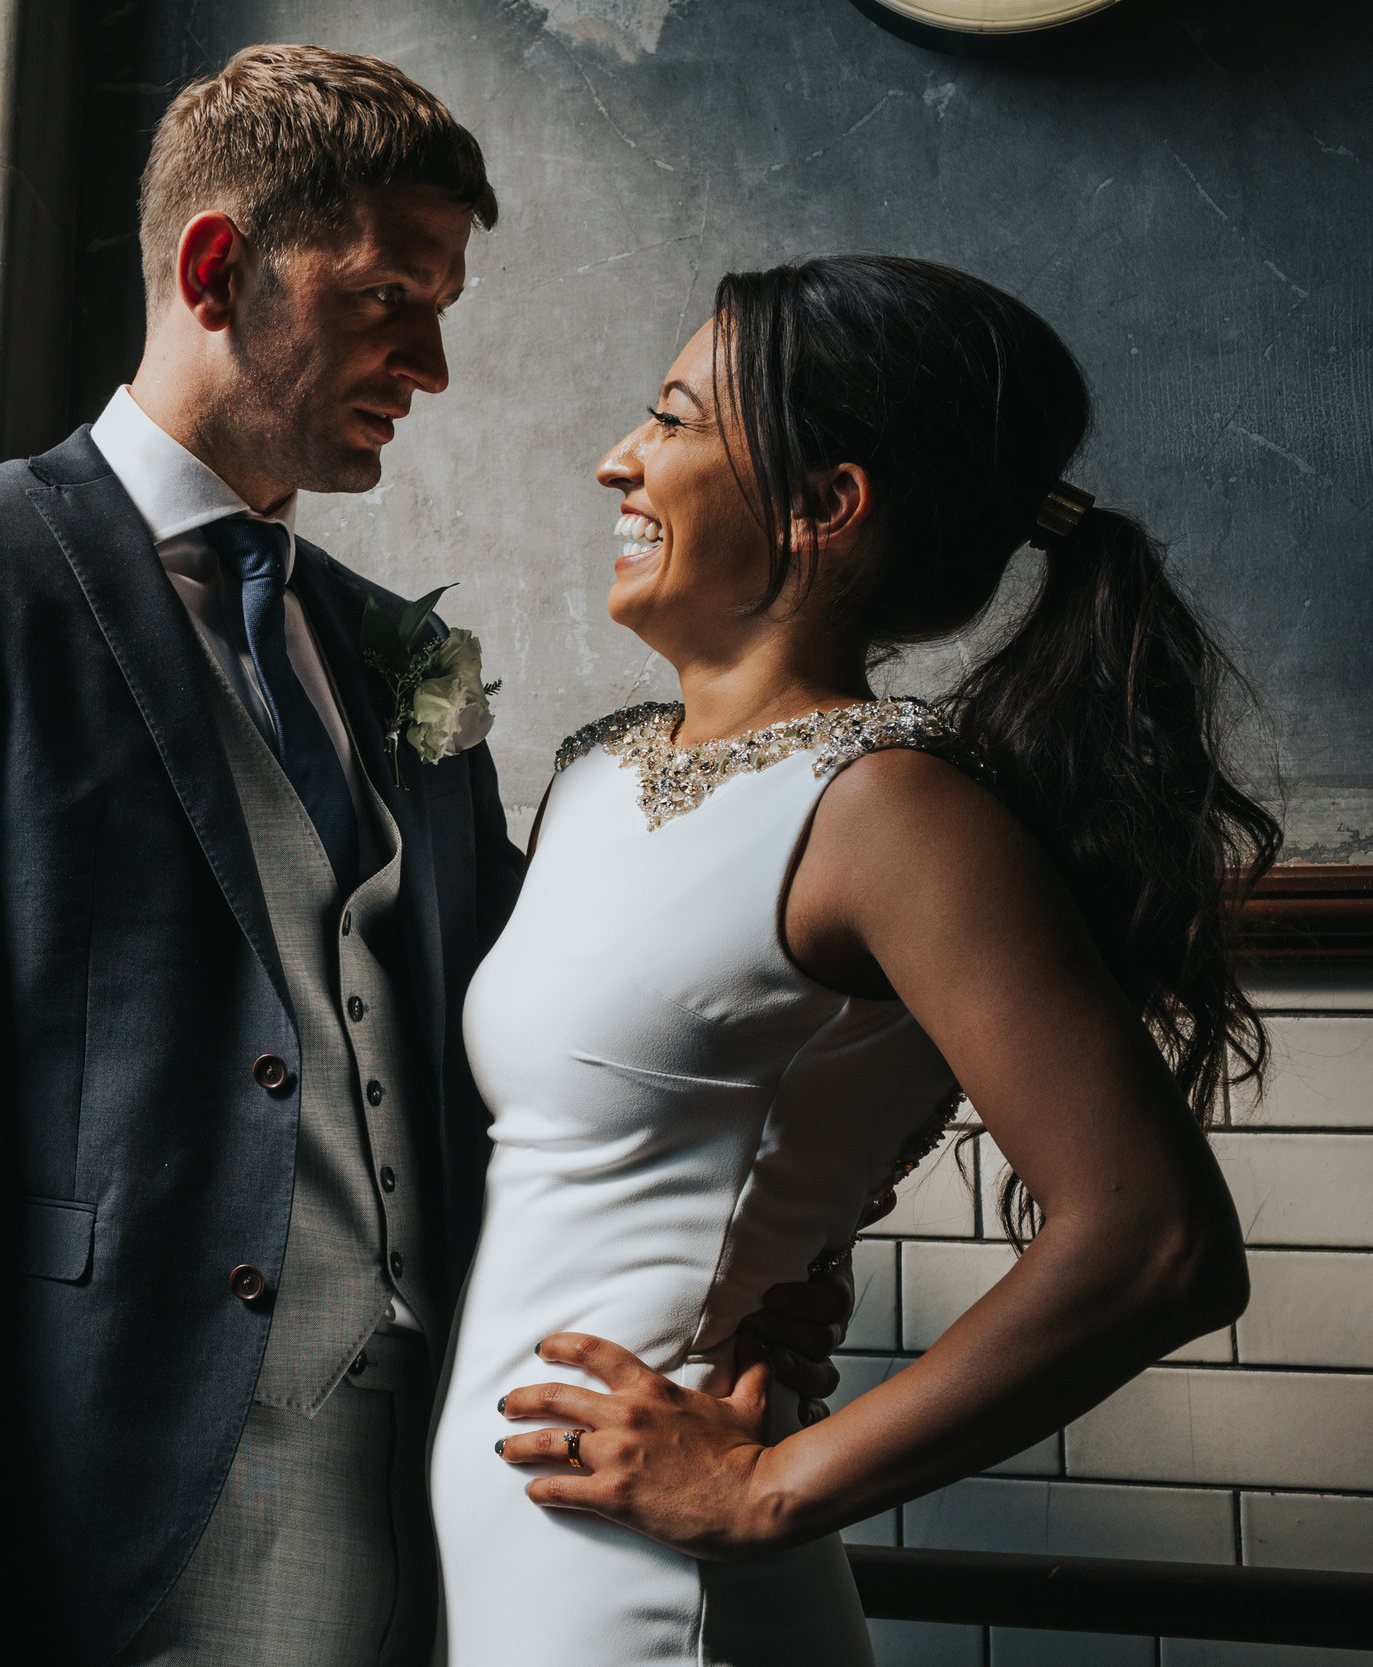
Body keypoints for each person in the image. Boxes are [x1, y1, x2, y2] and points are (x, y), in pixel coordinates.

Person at [0, 48, 855, 1667]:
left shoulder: (391, 651)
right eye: (396, 296)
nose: (437, 362)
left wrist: (763, 1267)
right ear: (216, 268)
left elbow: (571, 1030)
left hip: (456, 1515)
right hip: (89, 1515)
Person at [429, 255, 1273, 1664]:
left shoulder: (892, 812)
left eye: (676, 421)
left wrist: (767, 1488)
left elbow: (1160, 1244)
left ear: (825, 505)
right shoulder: (591, 776)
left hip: (663, 1597)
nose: (615, 462)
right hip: (519, 1571)